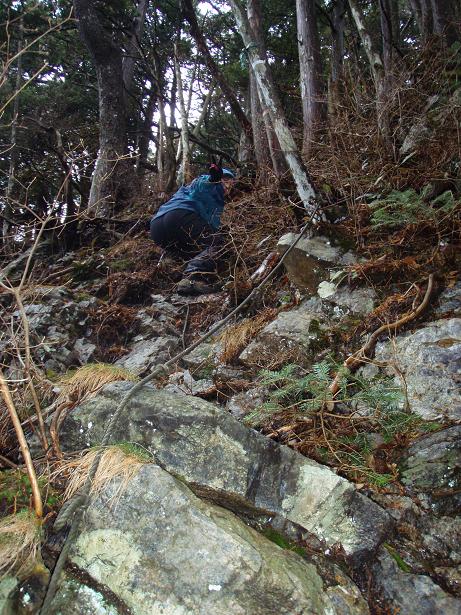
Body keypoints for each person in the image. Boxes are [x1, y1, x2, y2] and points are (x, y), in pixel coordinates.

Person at [150, 161, 236, 295]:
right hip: (180, 215)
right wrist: (213, 179)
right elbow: (201, 186)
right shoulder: (209, 186)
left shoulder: (214, 201)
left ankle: (171, 271)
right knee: (218, 243)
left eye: (231, 184)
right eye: (225, 180)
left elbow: (210, 226)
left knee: (196, 247)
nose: (228, 186)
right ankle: (192, 277)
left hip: (157, 227)